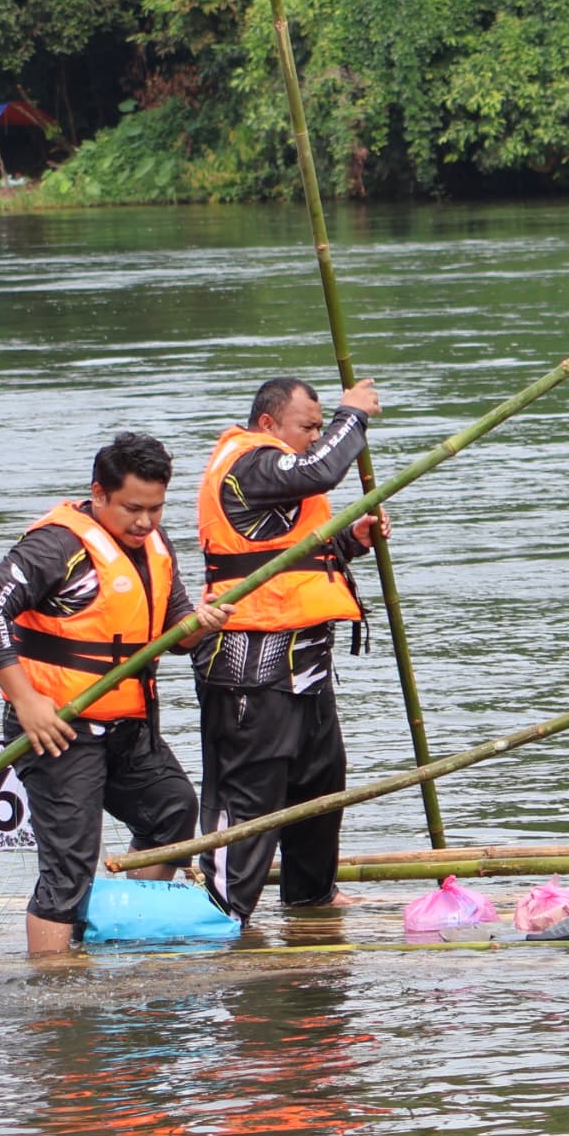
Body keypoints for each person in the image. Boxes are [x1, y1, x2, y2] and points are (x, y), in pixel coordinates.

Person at [0, 431, 230, 956]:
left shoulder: (155, 543)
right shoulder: (57, 546)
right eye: (132, 508)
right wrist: (25, 700)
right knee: (68, 868)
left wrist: (200, 624)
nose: (145, 522)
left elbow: (175, 629)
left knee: (173, 812)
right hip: (58, 728)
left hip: (130, 727)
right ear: (100, 493)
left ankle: (114, 930)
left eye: (155, 508)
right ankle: (55, 995)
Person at [192, 375, 392, 923]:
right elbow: (321, 469)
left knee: (321, 782)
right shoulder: (251, 464)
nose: (314, 436)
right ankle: (222, 911)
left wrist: (352, 541)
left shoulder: (275, 473)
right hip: (251, 670)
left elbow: (283, 560)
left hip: (305, 665)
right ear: (268, 424)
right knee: (252, 799)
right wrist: (353, 416)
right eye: (308, 426)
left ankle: (312, 897)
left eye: (320, 426)